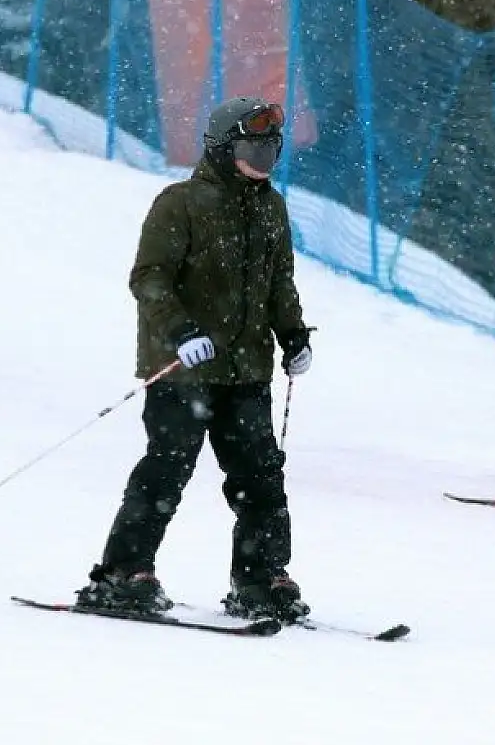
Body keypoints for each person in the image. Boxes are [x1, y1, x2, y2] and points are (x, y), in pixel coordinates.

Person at [75, 96, 315, 622]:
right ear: (224, 148)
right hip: (183, 368)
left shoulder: (272, 208)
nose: (265, 157)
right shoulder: (180, 203)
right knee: (166, 469)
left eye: (272, 148)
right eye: (255, 147)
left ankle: (259, 578)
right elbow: (149, 277)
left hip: (247, 370)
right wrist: (181, 331)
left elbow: (279, 283)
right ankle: (123, 572)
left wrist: (294, 337)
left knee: (261, 475)